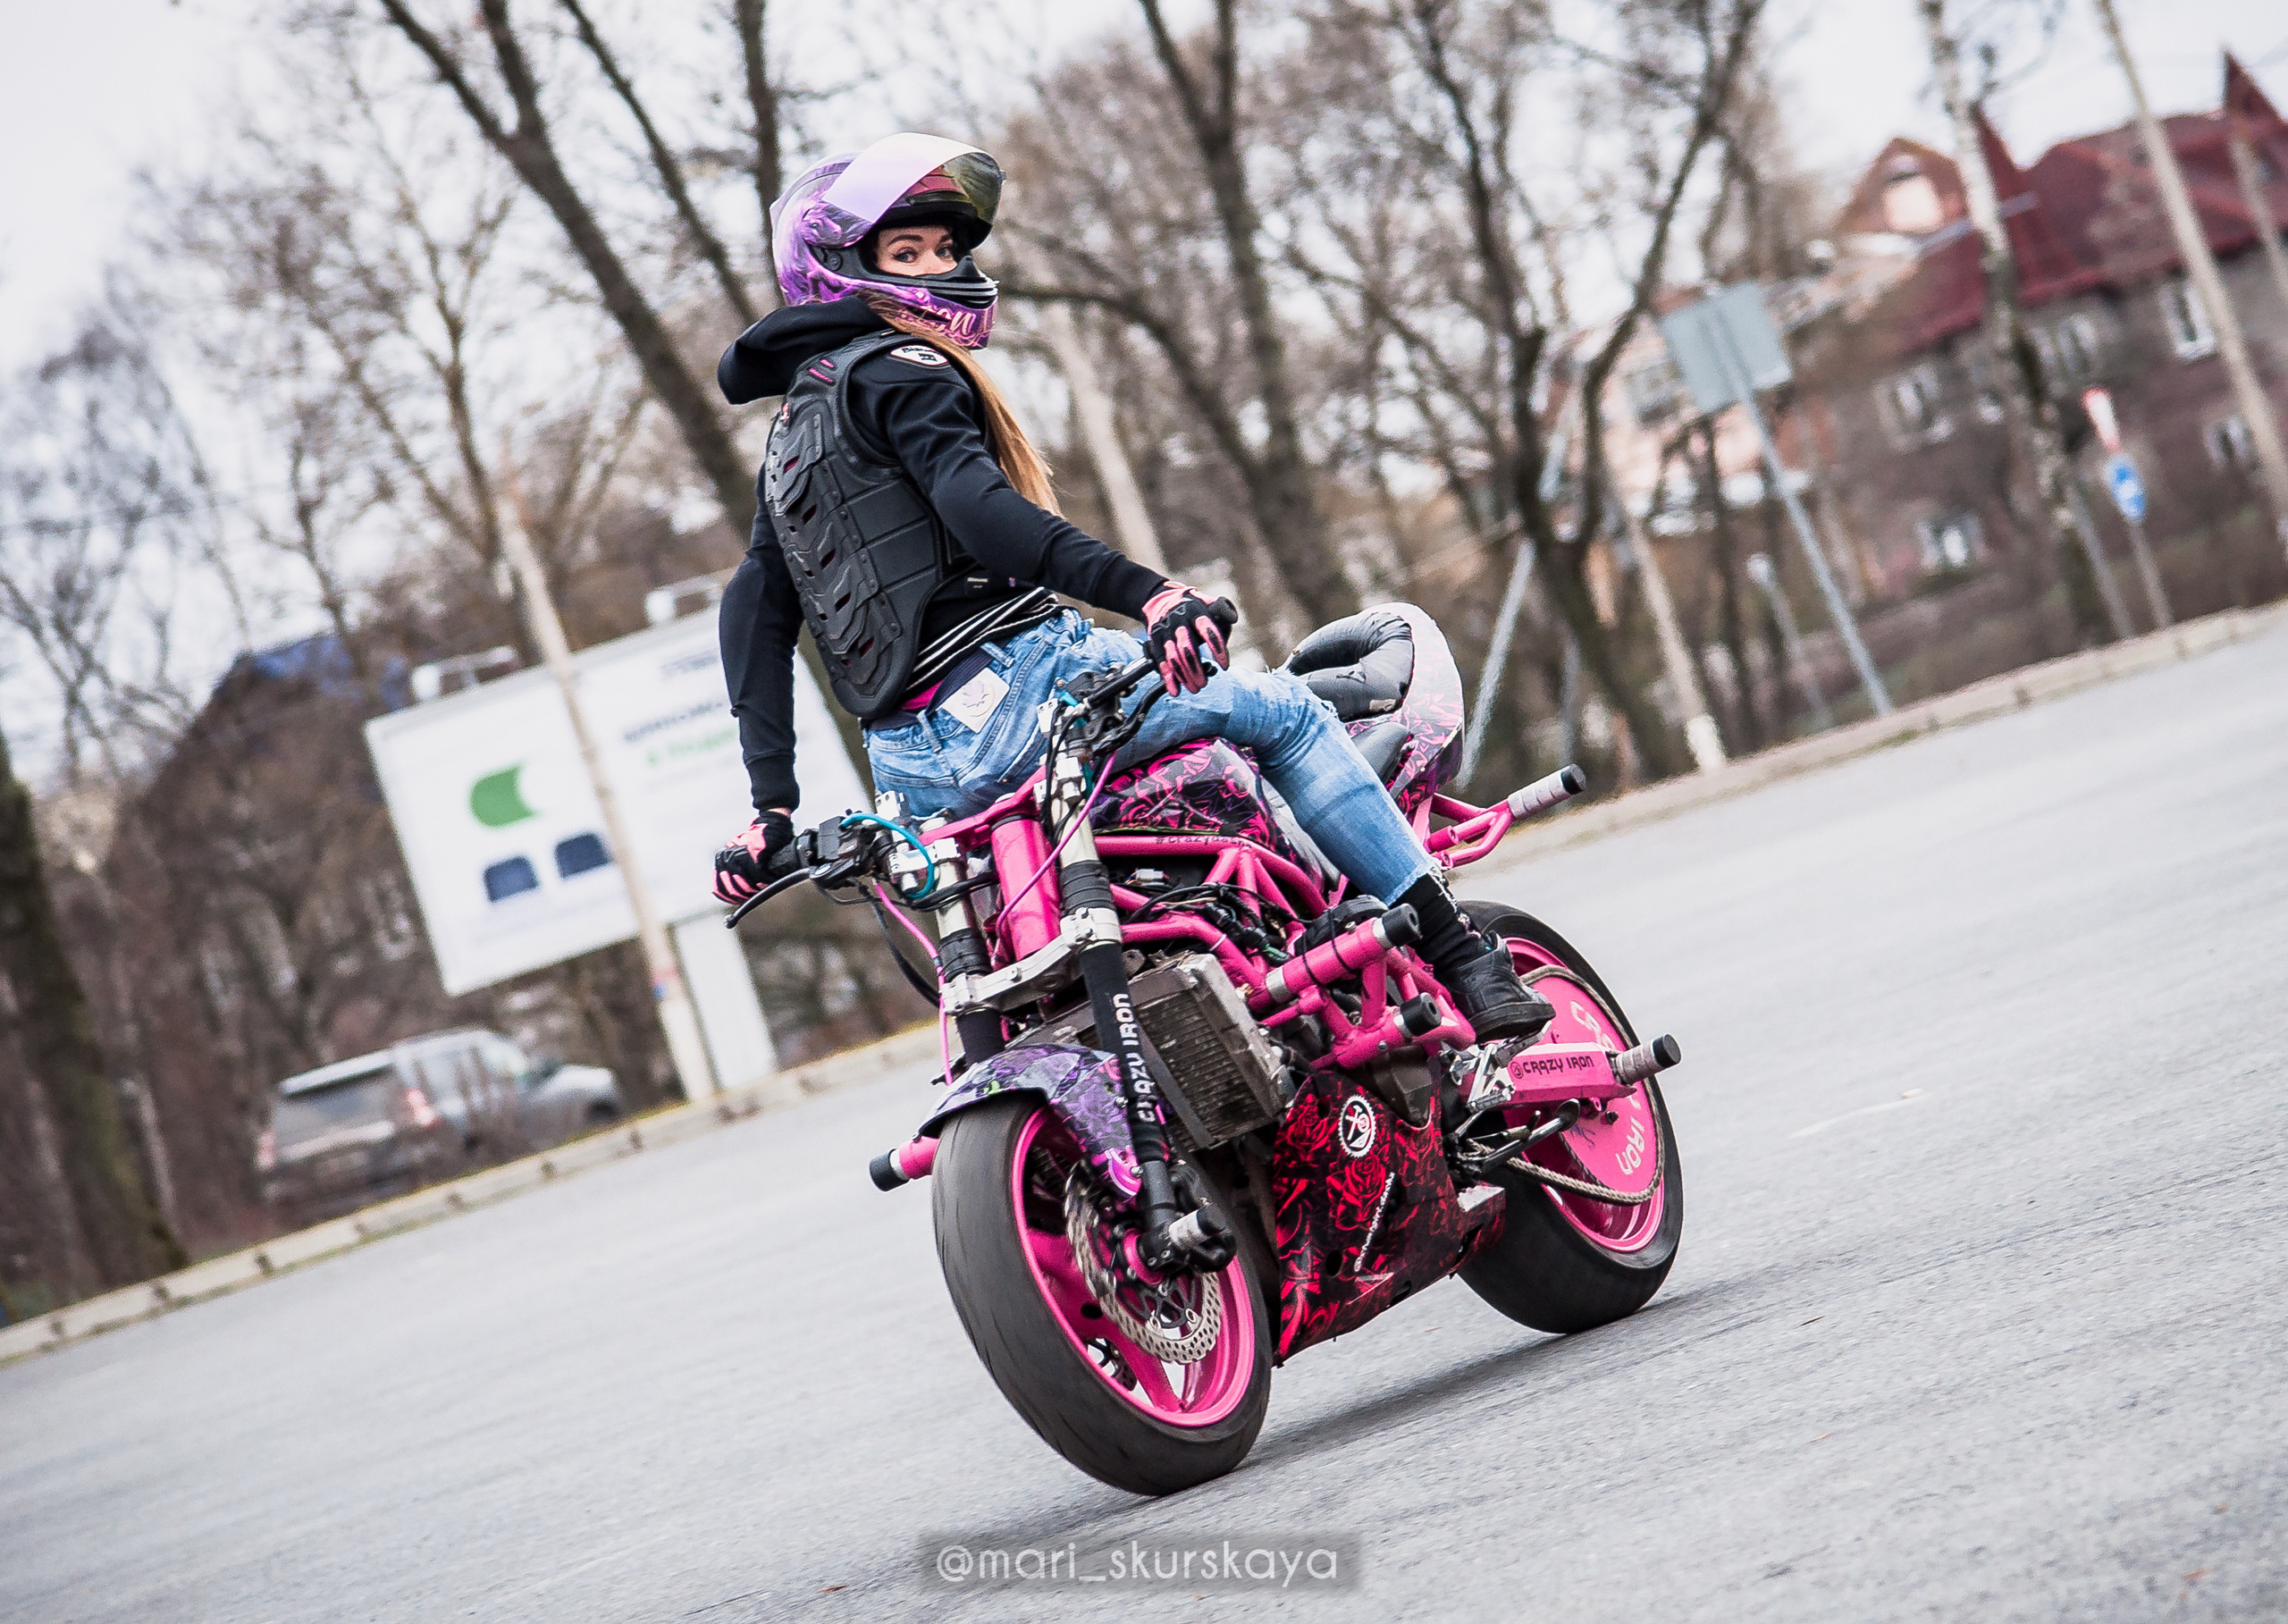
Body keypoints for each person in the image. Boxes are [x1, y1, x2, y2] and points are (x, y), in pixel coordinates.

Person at [711, 132, 1551, 1042]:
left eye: (948, 249)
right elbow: (979, 508)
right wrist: (1151, 595)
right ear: (837, 268)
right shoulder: (902, 371)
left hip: (909, 767)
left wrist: (771, 806)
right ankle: (1461, 950)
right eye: (906, 253)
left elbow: (754, 608)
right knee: (1285, 715)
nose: (941, 268)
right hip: (1027, 694)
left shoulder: (791, 434)